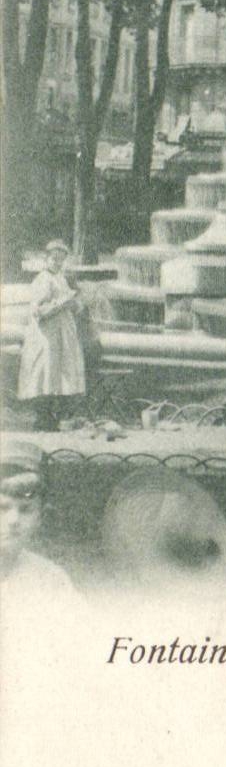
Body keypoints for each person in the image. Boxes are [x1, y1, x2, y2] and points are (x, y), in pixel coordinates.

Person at [17, 239, 86, 432]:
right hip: (46, 335)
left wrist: (75, 304)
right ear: (46, 258)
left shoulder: (61, 278)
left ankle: (55, 417)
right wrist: (61, 303)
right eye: (54, 259)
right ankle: (43, 418)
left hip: (62, 334)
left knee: (59, 374)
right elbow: (38, 311)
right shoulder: (42, 279)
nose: (57, 263)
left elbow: (72, 303)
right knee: (45, 373)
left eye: (61, 260)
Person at [0, 440, 76, 597]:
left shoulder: (50, 580)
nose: (14, 519)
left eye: (26, 509)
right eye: (2, 508)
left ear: (40, 517)